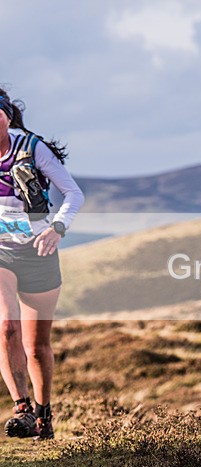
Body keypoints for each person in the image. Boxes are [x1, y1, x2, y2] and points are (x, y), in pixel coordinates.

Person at [0, 88, 84, 440]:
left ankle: (43, 416)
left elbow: (73, 193)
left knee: (37, 346)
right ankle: (22, 409)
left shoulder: (32, 148)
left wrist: (57, 229)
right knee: (6, 327)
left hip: (38, 249)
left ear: (7, 117)